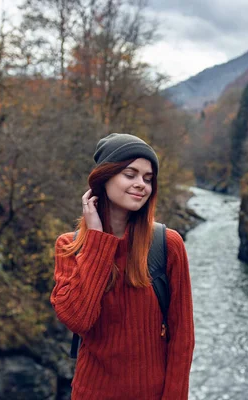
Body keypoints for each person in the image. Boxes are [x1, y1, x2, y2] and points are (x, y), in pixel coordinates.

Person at [50, 133, 195, 400]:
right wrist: (97, 242)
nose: (141, 184)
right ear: (104, 178)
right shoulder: (70, 246)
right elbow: (78, 319)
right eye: (130, 174)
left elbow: (182, 339)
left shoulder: (167, 245)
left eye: (148, 178)